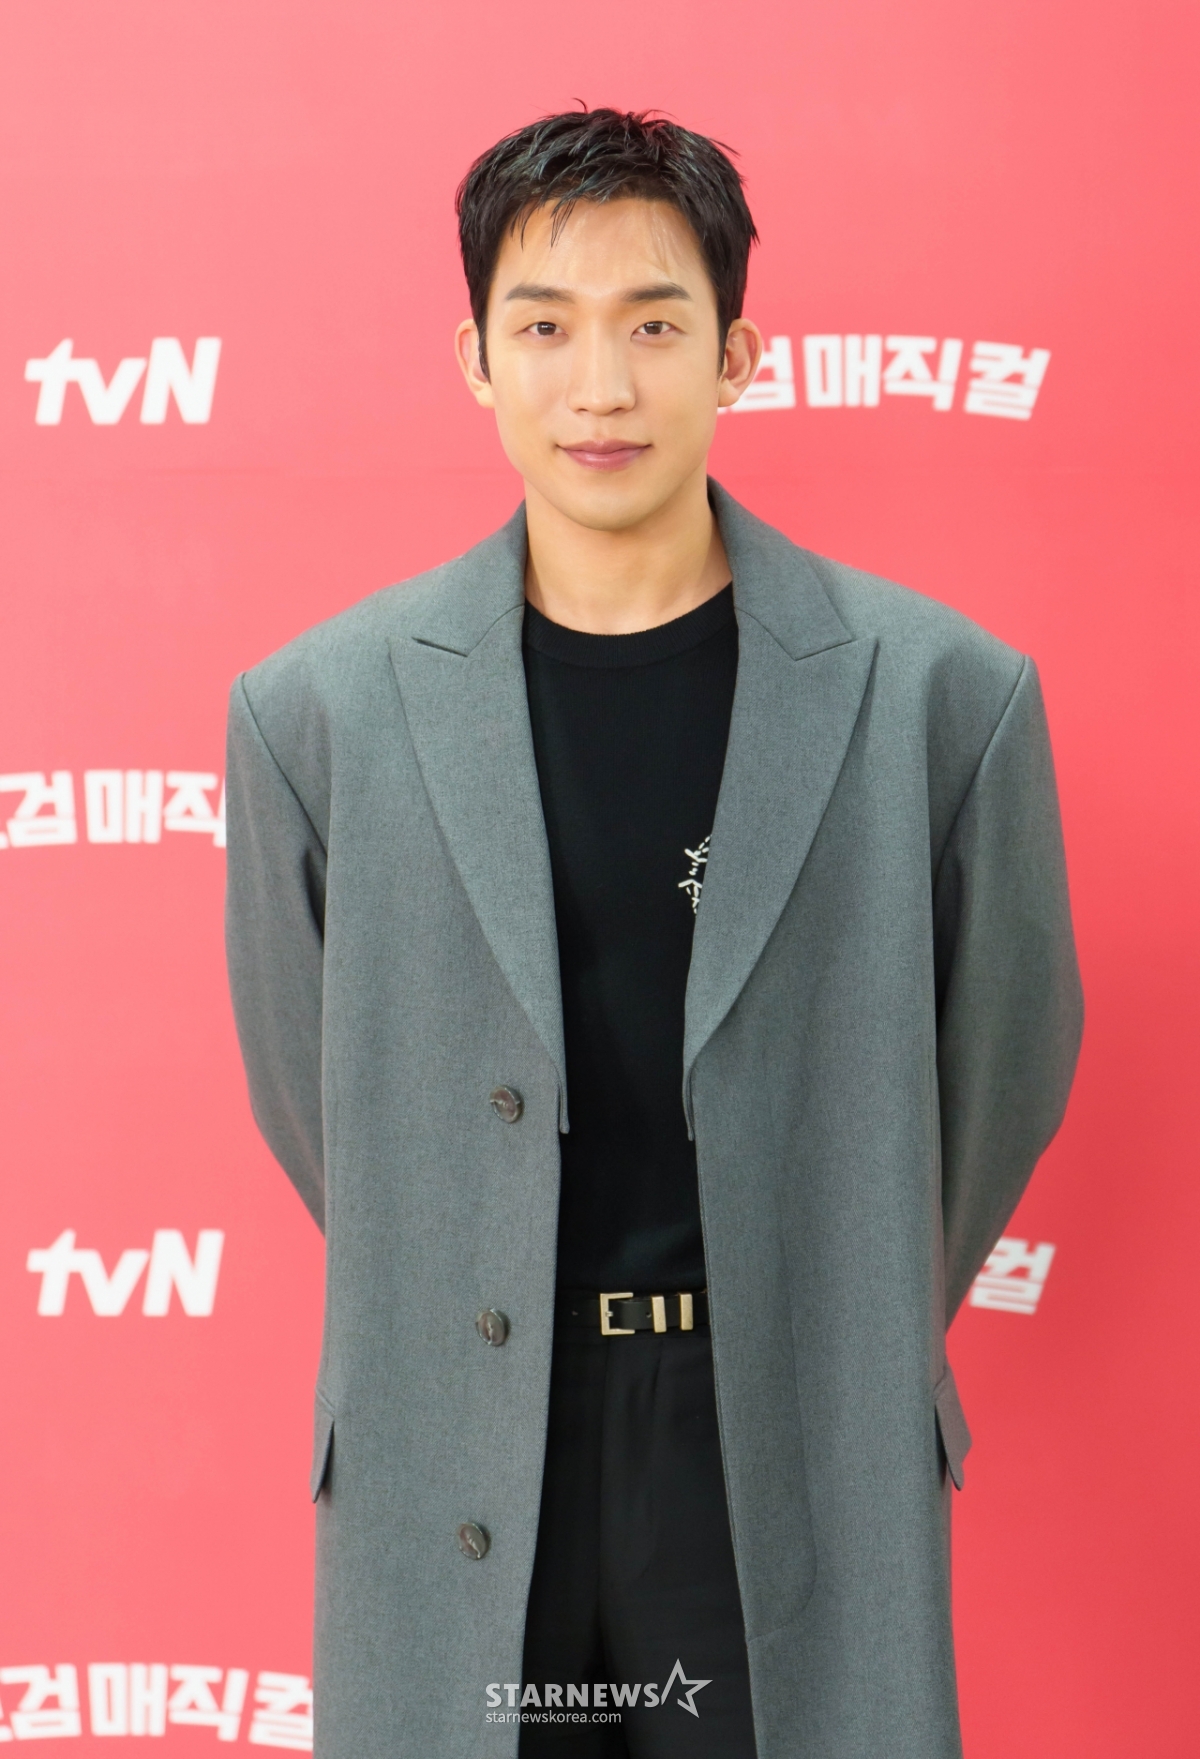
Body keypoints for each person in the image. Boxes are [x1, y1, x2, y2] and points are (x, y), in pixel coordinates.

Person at [225, 109, 1083, 1759]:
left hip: (787, 1437)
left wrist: (833, 1285)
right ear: (476, 359)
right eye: (546, 328)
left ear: (738, 355)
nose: (600, 386)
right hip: (464, 1436)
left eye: (655, 325)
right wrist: (470, 1250)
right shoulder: (317, 715)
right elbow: (313, 1098)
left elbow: (1008, 1064)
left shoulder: (941, 697)